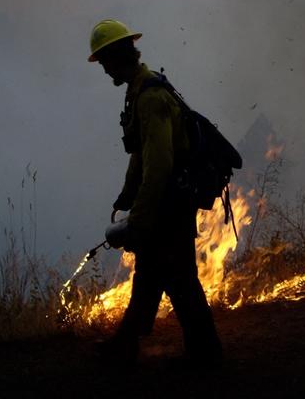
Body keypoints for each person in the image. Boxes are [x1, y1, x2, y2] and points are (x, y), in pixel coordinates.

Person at [88, 19, 223, 366]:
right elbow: (140, 154)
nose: (104, 70)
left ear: (118, 57)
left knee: (179, 279)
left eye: (104, 62)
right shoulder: (137, 92)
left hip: (171, 203)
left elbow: (159, 164)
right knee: (152, 275)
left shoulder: (150, 97)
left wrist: (141, 220)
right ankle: (128, 344)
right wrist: (126, 197)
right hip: (164, 201)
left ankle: (205, 355)